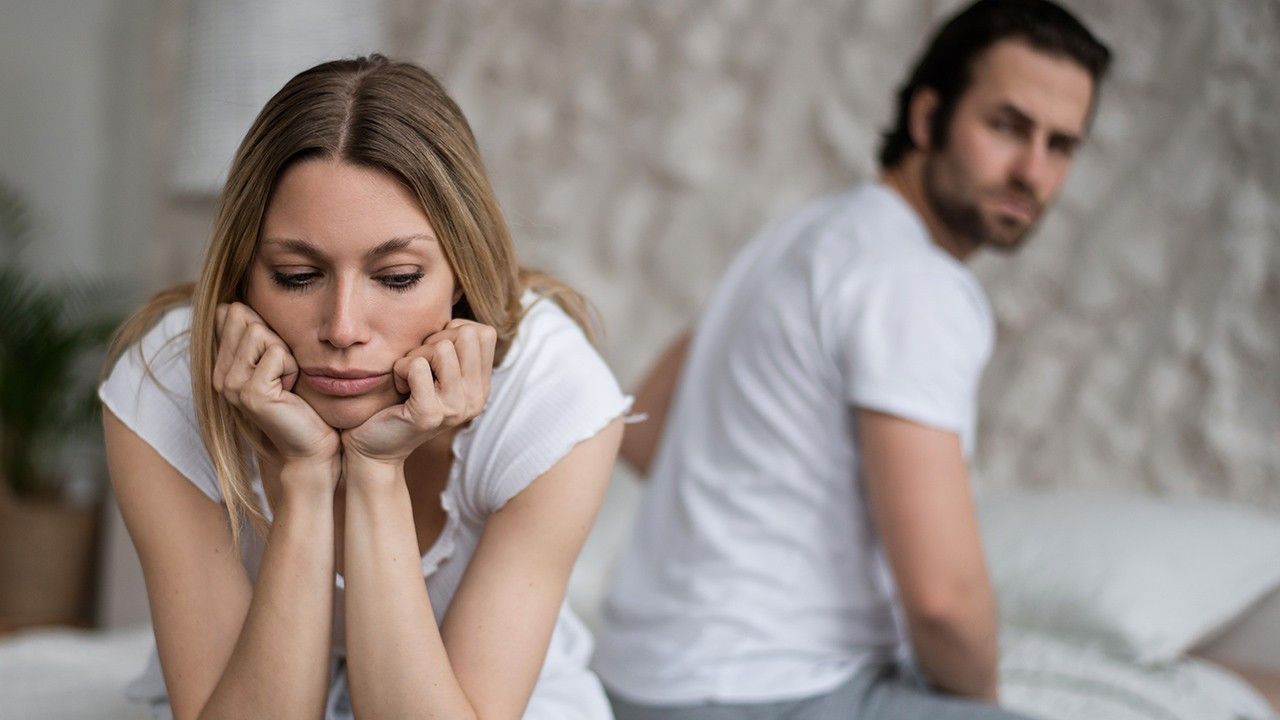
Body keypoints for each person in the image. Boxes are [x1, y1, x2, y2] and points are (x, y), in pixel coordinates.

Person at [593, 1, 1110, 718]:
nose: (1032, 171)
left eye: (1060, 146)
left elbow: (645, 433)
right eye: (1007, 127)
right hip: (764, 692)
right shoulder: (914, 280)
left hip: (636, 679)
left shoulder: (799, 237)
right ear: (928, 117)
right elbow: (943, 603)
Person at [100, 55, 630, 720]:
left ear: (461, 274)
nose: (343, 328)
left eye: (398, 277)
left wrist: (377, 473)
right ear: (242, 274)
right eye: (297, 276)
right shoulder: (164, 383)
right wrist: (306, 475)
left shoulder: (552, 394)